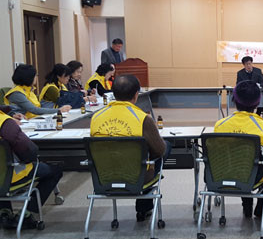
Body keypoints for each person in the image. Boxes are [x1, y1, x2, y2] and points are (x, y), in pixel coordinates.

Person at [90, 75, 169, 221]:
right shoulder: (143, 118)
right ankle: (143, 207)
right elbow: (160, 151)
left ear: (113, 94)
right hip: (137, 177)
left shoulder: (96, 117)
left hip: (104, 176)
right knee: (164, 148)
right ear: (136, 94)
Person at [214, 80, 263, 218]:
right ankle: (262, 207)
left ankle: (247, 205)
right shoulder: (262, 126)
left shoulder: (220, 125)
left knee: (238, 162)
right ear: (257, 102)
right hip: (254, 177)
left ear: (234, 100)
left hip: (224, 174)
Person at [0, 109, 63, 229]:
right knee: (55, 170)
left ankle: (4, 212)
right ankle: (27, 214)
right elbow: (29, 151)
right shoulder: (4, 123)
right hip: (11, 176)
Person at [4, 64, 71, 119]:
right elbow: (34, 109)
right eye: (35, 75)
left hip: (35, 119)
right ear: (29, 77)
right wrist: (59, 110)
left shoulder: (29, 90)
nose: (36, 77)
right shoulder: (17, 93)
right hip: (25, 122)